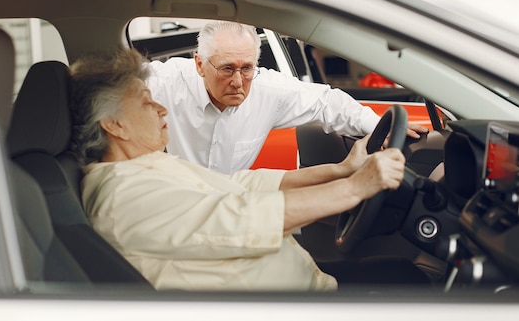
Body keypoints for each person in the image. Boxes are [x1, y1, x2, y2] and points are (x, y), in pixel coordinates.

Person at [70, 48, 407, 291]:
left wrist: (342, 170)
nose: (161, 109)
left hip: (308, 287)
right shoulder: (123, 195)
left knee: (399, 273)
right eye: (146, 102)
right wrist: (355, 188)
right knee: (408, 280)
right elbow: (240, 217)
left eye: (248, 68)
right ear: (114, 124)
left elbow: (242, 186)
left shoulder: (145, 166)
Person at [146, 20, 427, 174]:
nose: (237, 82)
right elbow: (113, 82)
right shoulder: (166, 82)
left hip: (231, 205)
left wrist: (379, 127)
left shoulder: (269, 90)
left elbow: (326, 102)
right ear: (199, 64)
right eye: (226, 69)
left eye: (246, 69)